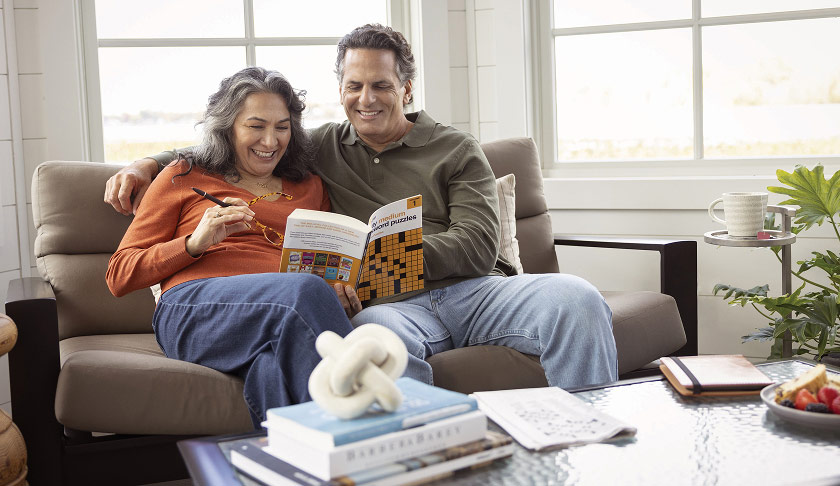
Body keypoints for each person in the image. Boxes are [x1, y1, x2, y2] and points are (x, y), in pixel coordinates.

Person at [105, 24, 618, 390]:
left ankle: (588, 436)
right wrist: (146, 163)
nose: (366, 99)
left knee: (576, 297)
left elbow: (479, 246)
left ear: (406, 88)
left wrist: (377, 257)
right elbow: (228, 147)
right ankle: (423, 460)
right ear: (342, 90)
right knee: (374, 346)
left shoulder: (450, 150)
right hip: (390, 309)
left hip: (476, 293)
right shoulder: (319, 148)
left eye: (381, 85)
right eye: (354, 86)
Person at [105, 67, 354, 428]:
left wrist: (339, 287)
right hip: (194, 309)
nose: (270, 141)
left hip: (283, 312)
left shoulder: (310, 187)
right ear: (227, 127)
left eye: (281, 127)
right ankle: (376, 430)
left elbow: (323, 263)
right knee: (304, 291)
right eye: (256, 126)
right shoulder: (183, 175)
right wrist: (193, 244)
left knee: (272, 368)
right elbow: (119, 274)